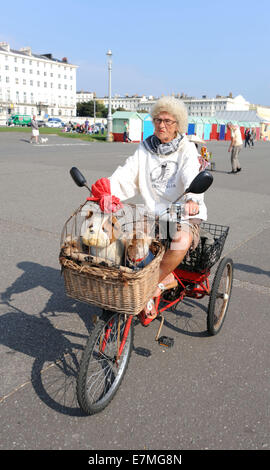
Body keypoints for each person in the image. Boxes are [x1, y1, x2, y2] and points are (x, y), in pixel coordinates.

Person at [92, 96, 207, 322]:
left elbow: (191, 173)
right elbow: (127, 172)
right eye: (157, 120)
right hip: (154, 211)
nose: (162, 125)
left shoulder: (186, 149)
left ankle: (152, 285)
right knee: (121, 234)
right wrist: (106, 191)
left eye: (168, 121)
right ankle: (147, 278)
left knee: (181, 239)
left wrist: (192, 198)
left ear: (178, 125)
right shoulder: (145, 148)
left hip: (182, 209)